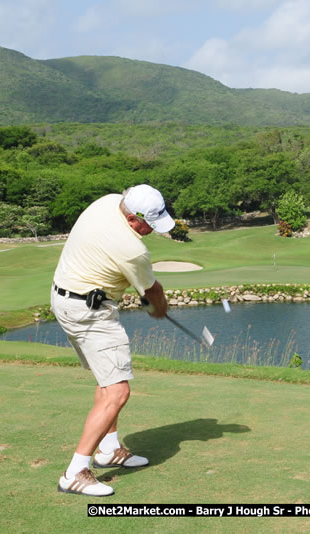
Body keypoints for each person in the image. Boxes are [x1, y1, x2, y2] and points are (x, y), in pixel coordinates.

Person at [50, 184, 175, 496]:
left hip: (66, 297)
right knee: (118, 391)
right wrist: (158, 308)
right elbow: (152, 292)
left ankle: (108, 450)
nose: (152, 231)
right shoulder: (133, 249)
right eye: (149, 224)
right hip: (90, 313)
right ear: (133, 219)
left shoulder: (107, 202)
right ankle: (75, 471)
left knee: (108, 381)